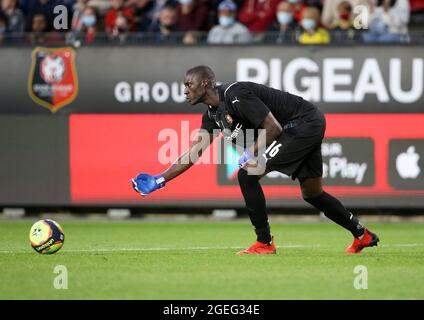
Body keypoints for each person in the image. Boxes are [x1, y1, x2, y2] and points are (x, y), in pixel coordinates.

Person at [131, 65, 380, 255]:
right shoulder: (211, 115)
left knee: (247, 174)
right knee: (312, 193)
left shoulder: (235, 94)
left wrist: (251, 152)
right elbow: (194, 153)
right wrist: (160, 179)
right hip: (301, 127)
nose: (185, 90)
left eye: (189, 84)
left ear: (205, 83)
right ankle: (362, 234)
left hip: (304, 123)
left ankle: (264, 242)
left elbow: (273, 127)